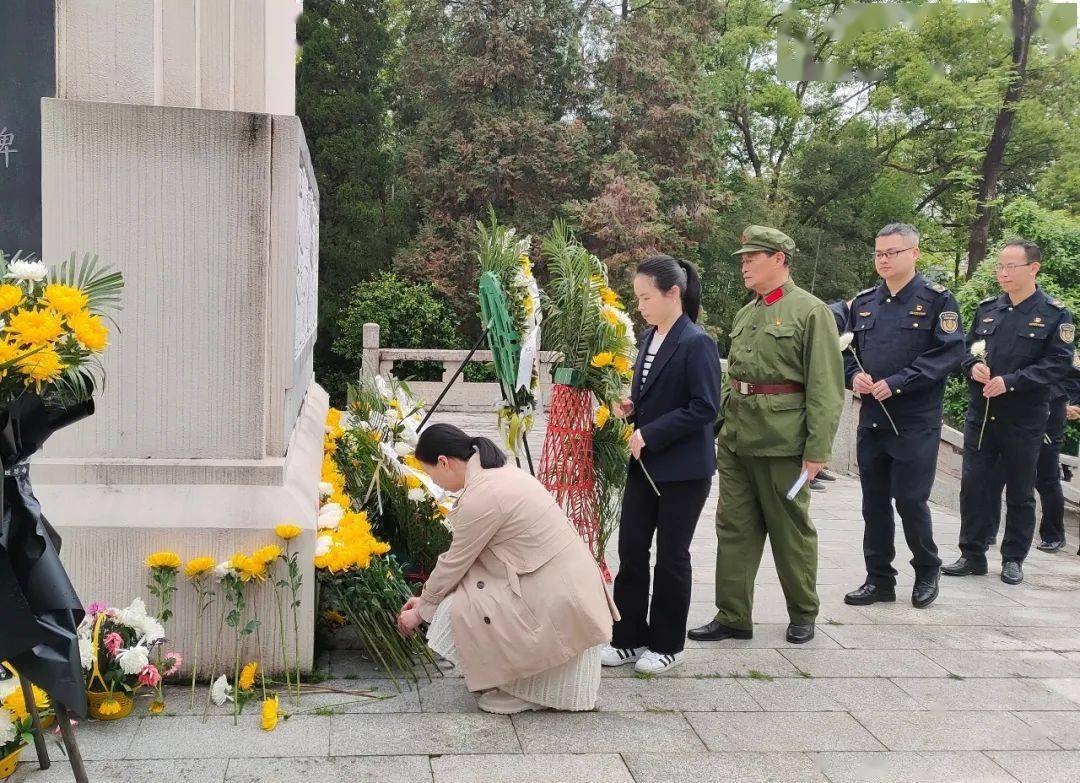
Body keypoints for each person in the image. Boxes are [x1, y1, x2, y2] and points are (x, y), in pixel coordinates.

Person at [689, 225, 844, 646]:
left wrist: (817, 451)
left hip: (784, 443)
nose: (744, 265)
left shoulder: (811, 312)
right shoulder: (747, 312)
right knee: (734, 528)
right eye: (742, 258)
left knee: (790, 530)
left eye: (751, 257)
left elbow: (826, 388)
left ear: (779, 258)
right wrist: (712, 428)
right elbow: (734, 379)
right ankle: (734, 615)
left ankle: (803, 612)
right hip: (738, 440)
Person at [396, 423, 618, 714]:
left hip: (557, 594)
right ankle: (518, 682)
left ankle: (530, 690)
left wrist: (423, 611)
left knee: (457, 608)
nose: (433, 481)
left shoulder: (483, 495)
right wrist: (425, 601)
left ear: (443, 462)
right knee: (462, 598)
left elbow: (454, 562)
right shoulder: (499, 473)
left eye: (429, 473)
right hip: (561, 582)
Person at [601, 255, 721, 675]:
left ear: (674, 294)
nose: (640, 306)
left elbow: (705, 407)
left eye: (646, 297)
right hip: (645, 466)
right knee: (631, 550)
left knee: (672, 556)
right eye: (637, 298)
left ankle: (668, 643)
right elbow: (657, 395)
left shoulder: (696, 342)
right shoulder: (650, 336)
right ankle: (628, 637)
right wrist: (632, 408)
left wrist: (652, 432)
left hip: (683, 471)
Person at [841, 223, 965, 610]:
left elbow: (947, 354)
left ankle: (928, 568)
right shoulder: (864, 303)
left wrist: (897, 382)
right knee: (873, 503)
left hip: (915, 419)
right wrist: (854, 376)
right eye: (879, 253)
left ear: (914, 254)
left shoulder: (937, 301)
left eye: (892, 252)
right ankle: (879, 578)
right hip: (872, 418)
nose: (884, 259)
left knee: (911, 501)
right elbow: (845, 351)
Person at [942, 240, 1074, 585]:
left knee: (1020, 489)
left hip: (1024, 417)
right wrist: (972, 367)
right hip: (982, 414)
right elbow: (966, 349)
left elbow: (1058, 364)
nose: (1002, 273)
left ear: (1033, 268)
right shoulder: (988, 309)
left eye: (1010, 267)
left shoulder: (1054, 313)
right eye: (999, 266)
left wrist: (1011, 381)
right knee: (974, 485)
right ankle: (971, 553)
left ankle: (1014, 557)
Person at [1033, 348, 1080, 552]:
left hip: (1052, 412)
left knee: (1047, 476)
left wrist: (1076, 405)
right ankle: (987, 532)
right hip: (1020, 407)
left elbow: (1075, 378)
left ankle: (1054, 535)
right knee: (999, 470)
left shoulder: (1064, 342)